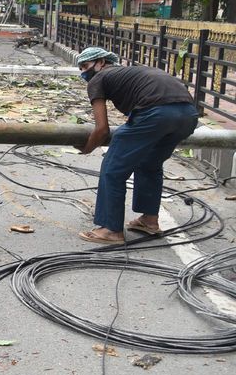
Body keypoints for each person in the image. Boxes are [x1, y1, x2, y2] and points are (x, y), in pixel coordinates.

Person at [73, 46, 199, 245]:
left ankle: (110, 229)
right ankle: (149, 220)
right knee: (150, 164)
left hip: (155, 113)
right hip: (188, 115)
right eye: (80, 68)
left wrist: (87, 148)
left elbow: (102, 129)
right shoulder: (133, 71)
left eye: (85, 66)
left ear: (102, 63)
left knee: (113, 169)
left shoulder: (98, 79)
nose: (83, 72)